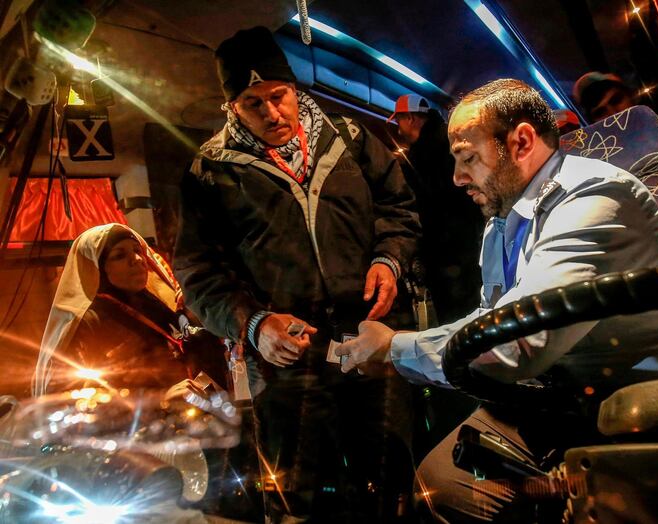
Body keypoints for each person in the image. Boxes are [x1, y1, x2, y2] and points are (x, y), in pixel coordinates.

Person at [336, 78, 658, 522]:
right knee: (439, 479)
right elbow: (492, 317)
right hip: (574, 395)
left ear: (521, 141)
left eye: (468, 158)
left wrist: (395, 349)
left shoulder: (594, 197)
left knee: (461, 492)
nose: (457, 177)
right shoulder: (504, 221)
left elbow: (516, 340)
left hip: (655, 409)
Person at [172, 26, 421, 522]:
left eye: (278, 96)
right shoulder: (212, 171)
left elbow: (399, 208)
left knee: (392, 474)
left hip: (370, 335)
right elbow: (198, 272)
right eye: (252, 103)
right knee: (300, 492)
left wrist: (388, 258)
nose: (271, 113)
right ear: (232, 107)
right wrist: (253, 323)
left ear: (294, 90)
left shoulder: (349, 139)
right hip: (288, 357)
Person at [33, 223, 221, 396]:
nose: (137, 260)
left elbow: (194, 347)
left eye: (138, 250)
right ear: (97, 268)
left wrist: (193, 308)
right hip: (138, 428)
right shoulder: (87, 322)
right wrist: (159, 399)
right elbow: (71, 397)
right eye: (119, 255)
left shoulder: (155, 305)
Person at [389, 94, 484, 324]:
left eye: (399, 121)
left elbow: (424, 206)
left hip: (448, 255)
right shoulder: (452, 139)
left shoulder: (422, 155)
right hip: (471, 246)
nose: (398, 130)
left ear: (410, 118)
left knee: (455, 318)